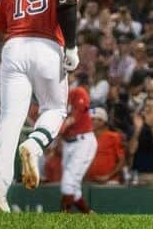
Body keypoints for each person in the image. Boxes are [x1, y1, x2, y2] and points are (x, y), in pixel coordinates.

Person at [0, 0, 81, 212]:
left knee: (9, 119)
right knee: (55, 109)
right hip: (48, 46)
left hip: (13, 48)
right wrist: (72, 46)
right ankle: (34, 144)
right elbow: (66, 4)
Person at [59, 79, 96, 214]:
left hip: (83, 141)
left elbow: (77, 114)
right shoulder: (53, 100)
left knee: (68, 181)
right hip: (68, 143)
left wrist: (61, 127)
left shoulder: (77, 92)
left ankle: (63, 217)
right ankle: (88, 214)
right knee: (73, 186)